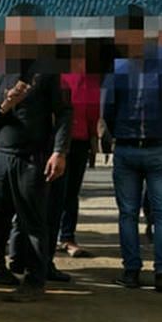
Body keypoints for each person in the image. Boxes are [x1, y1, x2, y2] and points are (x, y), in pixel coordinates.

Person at [0, 5, 69, 303]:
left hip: (32, 159)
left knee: (33, 222)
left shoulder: (47, 70)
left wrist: (59, 152)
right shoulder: (0, 71)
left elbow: (65, 113)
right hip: (1, 157)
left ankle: (34, 282)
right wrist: (6, 105)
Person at [101, 6, 162, 292]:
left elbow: (109, 109)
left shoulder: (119, 67)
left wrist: (116, 135)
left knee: (128, 213)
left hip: (128, 149)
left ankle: (131, 272)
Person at [57, 40, 103, 259]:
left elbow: (93, 114)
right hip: (58, 142)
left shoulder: (92, 81)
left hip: (81, 142)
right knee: (55, 190)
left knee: (72, 191)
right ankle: (49, 234)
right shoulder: (58, 77)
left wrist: (94, 141)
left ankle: (67, 236)